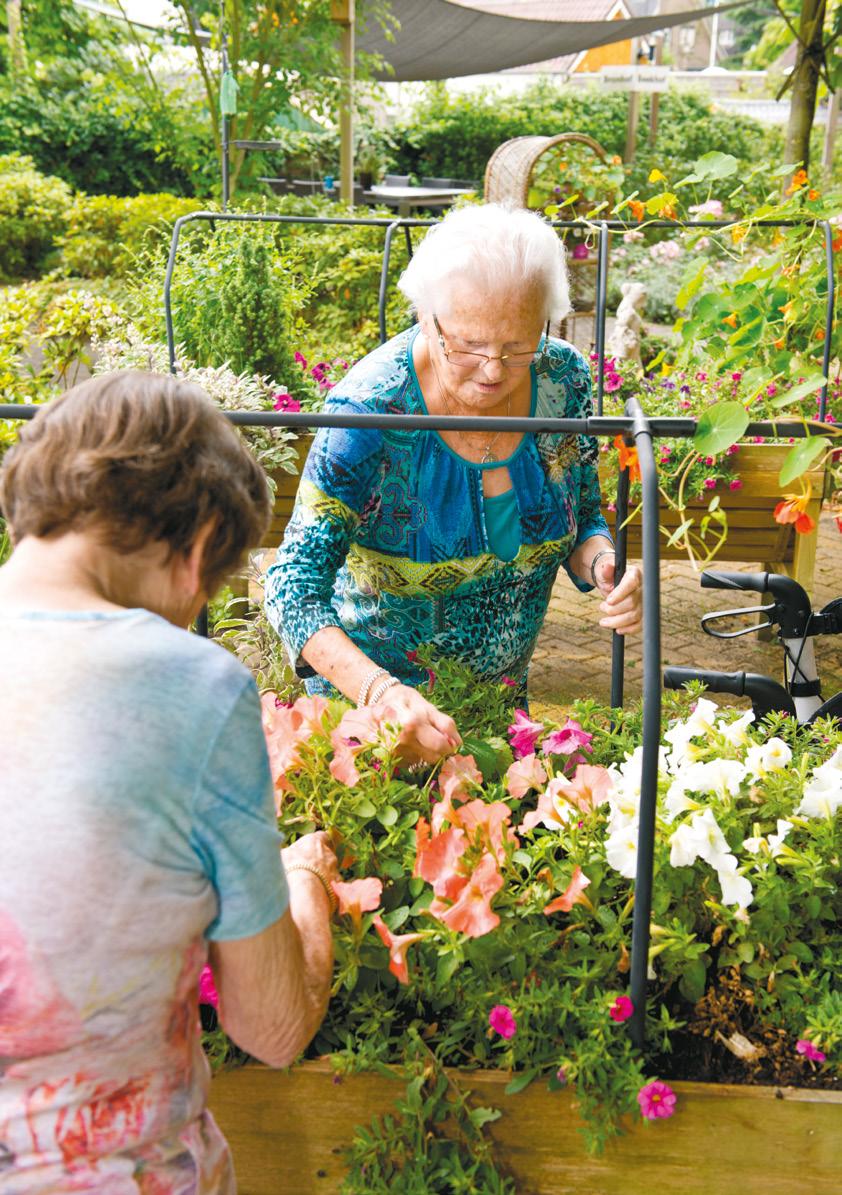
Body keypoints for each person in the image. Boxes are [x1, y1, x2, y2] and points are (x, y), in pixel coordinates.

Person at [0, 372, 338, 1193]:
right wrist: (307, 886)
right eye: (213, 586)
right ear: (199, 547)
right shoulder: (193, 685)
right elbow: (272, 1027)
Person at [265, 203, 642, 764]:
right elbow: (291, 585)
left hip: (502, 725)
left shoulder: (563, 379)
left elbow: (582, 511)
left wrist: (601, 564)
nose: (493, 369)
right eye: (467, 344)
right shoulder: (370, 413)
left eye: (517, 345)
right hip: (376, 731)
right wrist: (383, 695)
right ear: (426, 316)